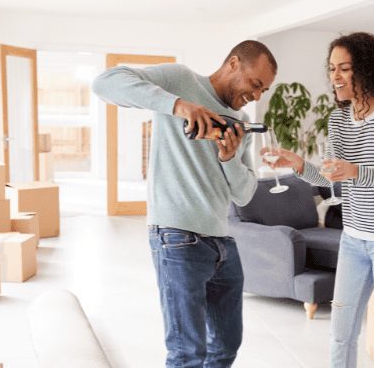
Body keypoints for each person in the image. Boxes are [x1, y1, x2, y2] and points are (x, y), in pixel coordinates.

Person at [92, 41, 277, 367]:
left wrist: (229, 156)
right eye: (255, 84)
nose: (257, 95)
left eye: (264, 89)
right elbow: (105, 83)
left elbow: (244, 194)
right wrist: (178, 106)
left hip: (223, 241)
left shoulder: (241, 120)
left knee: (225, 347)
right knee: (188, 353)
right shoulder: (180, 80)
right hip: (177, 238)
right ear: (234, 63)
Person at [264, 32, 374, 368]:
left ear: (366, 69)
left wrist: (356, 171)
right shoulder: (337, 119)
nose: (334, 76)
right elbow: (329, 179)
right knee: (341, 333)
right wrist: (298, 164)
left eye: (344, 68)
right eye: (332, 68)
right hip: (353, 238)